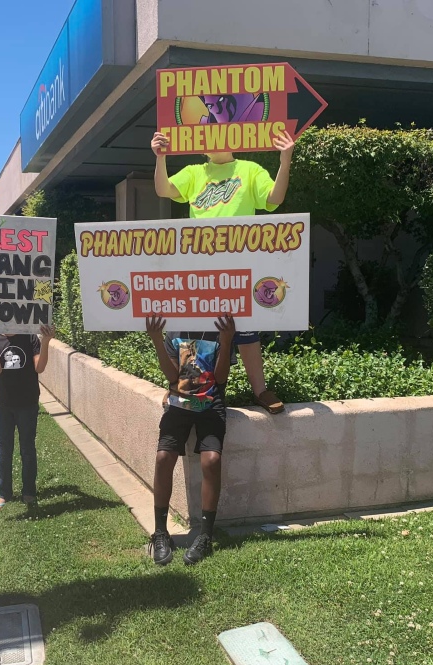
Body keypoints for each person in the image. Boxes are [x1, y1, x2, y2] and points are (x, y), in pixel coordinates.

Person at [151, 127, 296, 414]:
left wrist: (285, 161)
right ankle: (185, 385)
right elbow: (163, 189)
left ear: (233, 136)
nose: (210, 139)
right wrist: (160, 157)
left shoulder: (250, 169)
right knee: (194, 325)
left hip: (240, 264)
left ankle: (260, 390)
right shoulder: (194, 172)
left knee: (246, 328)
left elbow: (275, 198)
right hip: (198, 264)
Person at [146, 313, 236, 566]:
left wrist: (226, 340)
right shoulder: (175, 331)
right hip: (180, 401)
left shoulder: (220, 327)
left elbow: (221, 378)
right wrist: (157, 340)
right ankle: (161, 533)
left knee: (212, 460)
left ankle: (205, 535)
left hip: (212, 402)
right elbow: (172, 378)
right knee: (163, 457)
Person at [0, 322, 56, 512]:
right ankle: (4, 494)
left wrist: (46, 341)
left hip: (28, 403)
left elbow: (39, 368)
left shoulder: (30, 337)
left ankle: (29, 491)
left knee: (27, 448)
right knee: (4, 450)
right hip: (4, 405)